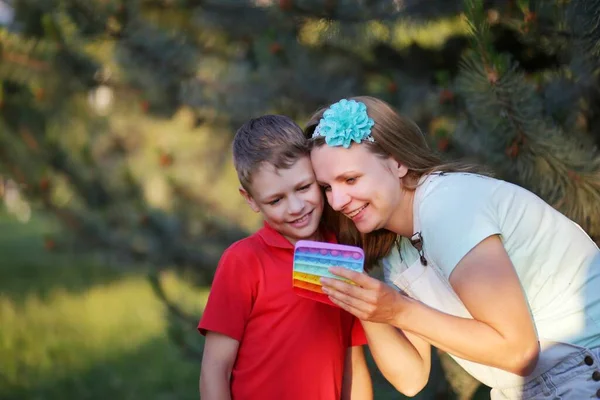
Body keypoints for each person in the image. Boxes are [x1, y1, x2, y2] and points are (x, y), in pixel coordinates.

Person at [304, 96, 600, 399]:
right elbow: (411, 378)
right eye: (327, 187)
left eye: (350, 179)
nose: (337, 202)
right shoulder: (399, 248)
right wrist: (367, 307)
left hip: (584, 369)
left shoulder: (448, 205)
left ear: (398, 162)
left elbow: (519, 352)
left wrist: (398, 309)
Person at [197, 115, 372, 400]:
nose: (296, 207)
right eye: (276, 200)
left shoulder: (342, 256)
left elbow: (353, 363)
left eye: (304, 187)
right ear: (251, 199)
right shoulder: (243, 261)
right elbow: (215, 370)